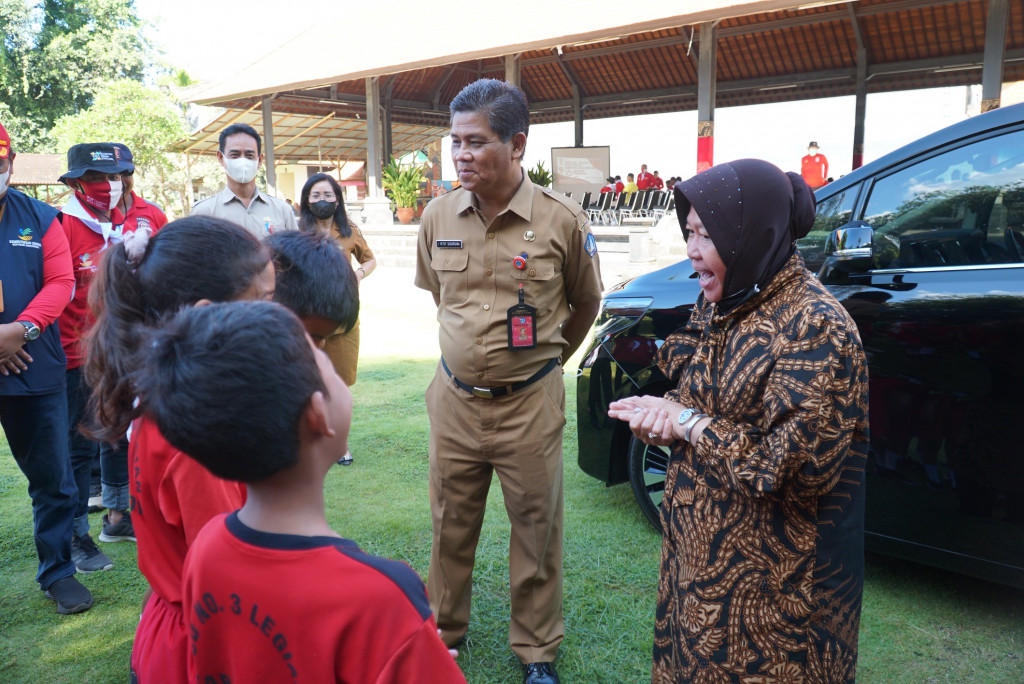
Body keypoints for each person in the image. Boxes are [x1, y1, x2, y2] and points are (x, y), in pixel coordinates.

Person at [608, 159, 869, 683]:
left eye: (708, 235)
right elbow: (699, 394)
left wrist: (687, 424)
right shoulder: (732, 300)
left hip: (778, 595)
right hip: (701, 567)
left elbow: (789, 467)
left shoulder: (816, 327)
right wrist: (668, 418)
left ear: (753, 236)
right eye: (689, 233)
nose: (692, 250)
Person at [131, 300, 468, 683]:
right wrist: (415, 652)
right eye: (331, 370)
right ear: (317, 415)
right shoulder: (382, 597)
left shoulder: (206, 549)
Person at [415, 78, 603, 684]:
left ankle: (537, 653)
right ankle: (442, 636)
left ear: (517, 144)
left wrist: (545, 366)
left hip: (529, 405)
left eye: (476, 142)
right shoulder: (439, 214)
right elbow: (441, 300)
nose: (460, 154)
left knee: (536, 529)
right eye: (454, 141)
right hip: (455, 402)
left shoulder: (561, 221)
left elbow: (585, 304)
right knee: (449, 524)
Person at [86, 216, 275, 683]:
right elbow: (234, 571)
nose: (281, 319)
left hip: (181, 627)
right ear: (208, 314)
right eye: (267, 303)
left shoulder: (169, 401)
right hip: (210, 644)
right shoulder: (197, 438)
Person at [0, 120, 93, 614]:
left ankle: (57, 571)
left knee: (54, 477)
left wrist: (21, 331)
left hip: (34, 364)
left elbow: (61, 283)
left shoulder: (41, 218)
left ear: (10, 163)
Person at [57, 142, 136, 574]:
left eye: (114, 177)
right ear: (74, 183)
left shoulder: (121, 224)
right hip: (72, 359)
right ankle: (74, 537)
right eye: (95, 178)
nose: (108, 186)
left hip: (115, 353)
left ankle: (117, 519)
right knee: (75, 451)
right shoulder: (61, 225)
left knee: (116, 437)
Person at [297, 173, 376, 386]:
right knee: (309, 386)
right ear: (307, 200)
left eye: (327, 195)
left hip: (343, 321)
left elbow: (370, 261)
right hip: (307, 321)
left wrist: (358, 274)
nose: (322, 200)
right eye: (316, 195)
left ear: (337, 200)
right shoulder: (298, 231)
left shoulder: (349, 231)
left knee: (340, 386)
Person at [190, 123, 297, 237]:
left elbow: (296, 251)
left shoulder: (282, 210)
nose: (243, 161)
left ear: (259, 160)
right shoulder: (203, 212)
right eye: (235, 155)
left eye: (249, 155)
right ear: (221, 158)